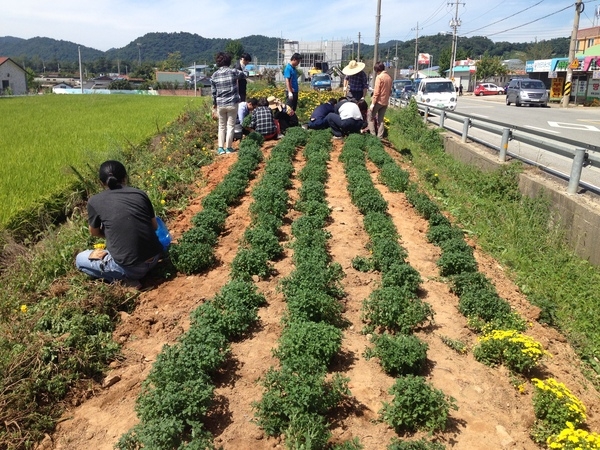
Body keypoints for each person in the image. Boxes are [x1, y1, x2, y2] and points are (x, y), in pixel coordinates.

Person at [75, 160, 164, 288]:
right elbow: (154, 226)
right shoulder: (139, 194)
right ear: (125, 178)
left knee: (80, 259)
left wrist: (114, 235)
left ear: (101, 182)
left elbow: (93, 232)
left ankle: (126, 281)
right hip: (155, 258)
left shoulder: (94, 201)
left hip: (131, 269)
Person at [211, 51, 246, 155]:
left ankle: (220, 148)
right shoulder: (233, 71)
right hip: (232, 103)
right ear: (229, 61)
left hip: (220, 104)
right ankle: (229, 148)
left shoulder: (214, 75)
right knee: (231, 125)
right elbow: (244, 75)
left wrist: (214, 104)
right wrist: (242, 65)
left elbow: (213, 93)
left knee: (221, 126)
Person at [368, 61, 392, 139]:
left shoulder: (379, 77)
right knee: (381, 120)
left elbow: (376, 92)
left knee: (370, 117)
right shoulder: (389, 77)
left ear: (377, 70)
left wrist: (372, 103)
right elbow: (390, 91)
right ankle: (380, 137)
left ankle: (373, 136)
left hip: (378, 101)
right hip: (385, 102)